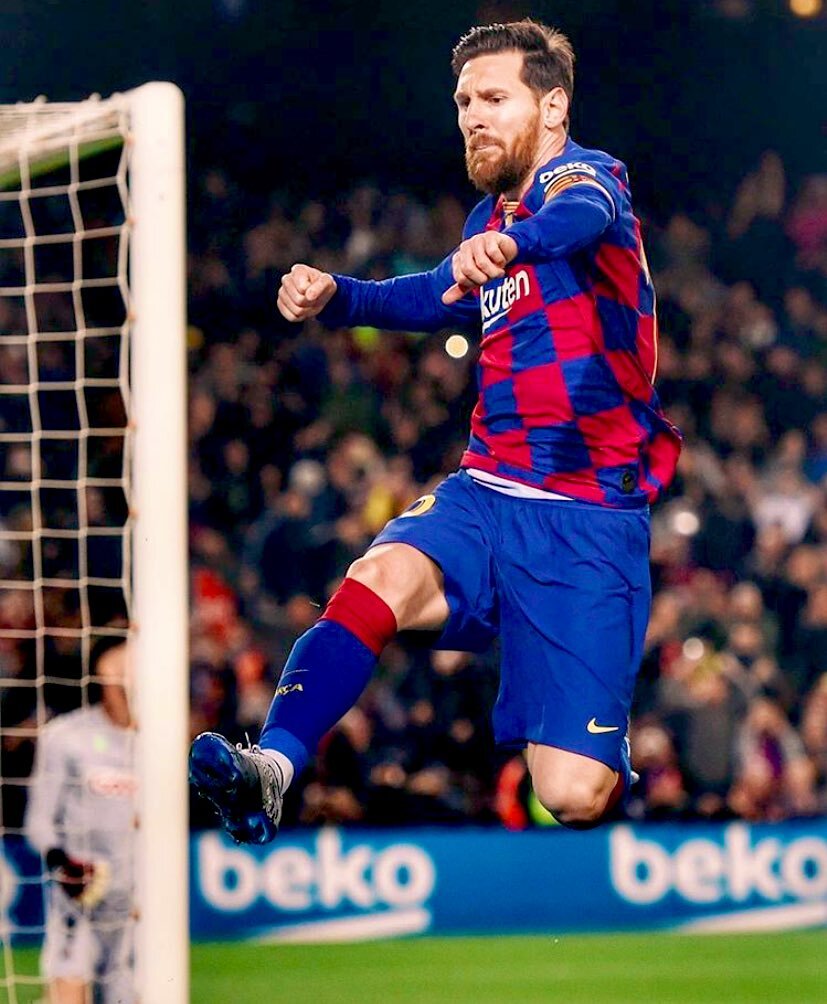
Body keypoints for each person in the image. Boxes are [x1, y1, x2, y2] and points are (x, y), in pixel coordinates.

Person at [189, 19, 681, 842]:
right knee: (377, 576)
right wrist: (338, 296)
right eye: (462, 102)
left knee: (572, 795)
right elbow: (432, 294)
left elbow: (579, 217)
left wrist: (511, 244)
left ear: (551, 107)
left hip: (587, 520)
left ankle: (591, 720)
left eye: (493, 97)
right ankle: (271, 769)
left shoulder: (586, 179)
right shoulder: (488, 218)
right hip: (485, 492)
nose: (472, 116)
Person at [25, 639, 137, 1004]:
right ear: (104, 674)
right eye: (120, 668)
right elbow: (38, 820)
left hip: (138, 902)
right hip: (83, 896)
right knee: (68, 992)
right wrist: (62, 862)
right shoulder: (67, 736)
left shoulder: (161, 743)